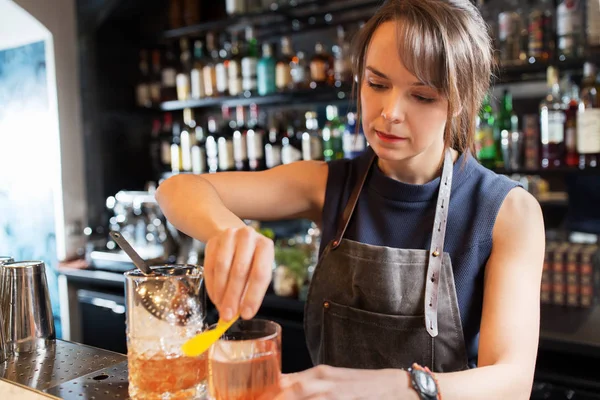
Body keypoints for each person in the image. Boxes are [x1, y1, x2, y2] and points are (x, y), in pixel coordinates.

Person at [155, 0, 545, 398]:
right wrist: (227, 231)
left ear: (461, 99)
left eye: (423, 96)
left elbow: (511, 383)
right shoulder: (327, 184)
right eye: (377, 84)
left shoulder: (506, 211)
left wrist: (396, 387)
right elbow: (175, 189)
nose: (390, 112)